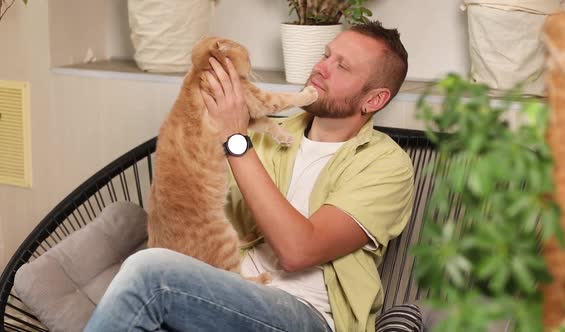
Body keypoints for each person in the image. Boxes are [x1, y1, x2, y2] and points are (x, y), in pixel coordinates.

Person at [84, 20, 414, 332]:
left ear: (374, 99)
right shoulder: (268, 133)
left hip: (305, 314)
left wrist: (235, 138)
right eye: (327, 54)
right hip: (227, 292)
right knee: (147, 282)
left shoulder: (385, 165)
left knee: (150, 274)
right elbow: (197, 208)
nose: (321, 67)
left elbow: (298, 251)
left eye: (342, 66)